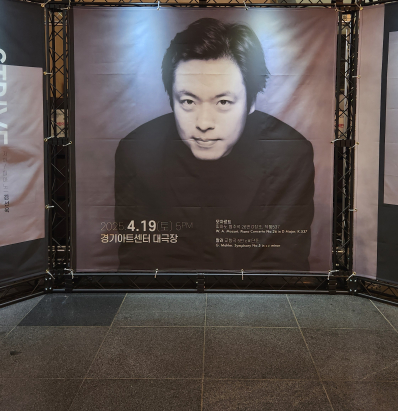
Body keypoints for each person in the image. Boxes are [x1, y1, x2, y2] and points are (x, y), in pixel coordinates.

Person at [114, 18, 315, 271]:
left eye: (223, 102)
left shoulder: (289, 153)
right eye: (188, 101)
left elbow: (284, 263)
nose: (204, 123)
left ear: (251, 103)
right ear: (172, 101)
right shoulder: (136, 152)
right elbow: (138, 262)